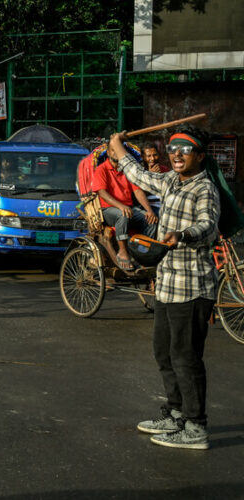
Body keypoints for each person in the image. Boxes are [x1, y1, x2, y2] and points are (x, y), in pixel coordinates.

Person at [109, 128, 220, 450]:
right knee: (164, 352)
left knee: (186, 357)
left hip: (194, 286)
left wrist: (182, 235)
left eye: (186, 150)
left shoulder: (205, 188)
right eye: (173, 148)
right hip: (168, 284)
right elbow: (137, 173)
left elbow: (208, 224)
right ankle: (175, 414)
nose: (177, 154)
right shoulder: (171, 180)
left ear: (200, 156)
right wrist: (117, 146)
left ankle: (196, 427)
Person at [90, 141, 158, 270]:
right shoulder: (102, 169)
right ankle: (123, 251)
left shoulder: (128, 171)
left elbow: (137, 191)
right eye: (113, 150)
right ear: (109, 152)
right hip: (108, 210)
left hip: (129, 209)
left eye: (118, 150)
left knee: (151, 220)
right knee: (123, 214)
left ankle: (142, 253)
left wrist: (149, 210)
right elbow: (102, 193)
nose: (116, 153)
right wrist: (120, 206)